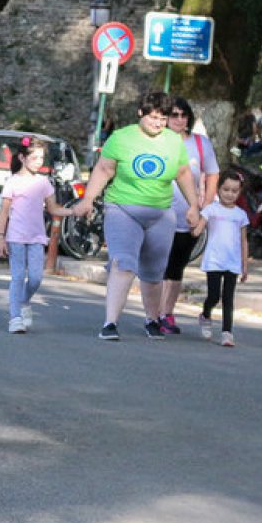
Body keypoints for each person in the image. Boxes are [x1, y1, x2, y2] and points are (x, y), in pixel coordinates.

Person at [70, 91, 201, 341]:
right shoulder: (121, 137)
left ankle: (152, 319)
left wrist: (193, 205)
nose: (158, 123)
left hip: (161, 212)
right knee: (124, 263)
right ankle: (110, 323)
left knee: (154, 271)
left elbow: (183, 173)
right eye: (153, 117)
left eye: (162, 118)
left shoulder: (173, 141)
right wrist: (88, 199)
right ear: (141, 113)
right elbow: (104, 169)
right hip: (123, 209)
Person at [0, 138, 72, 333]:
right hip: (16, 237)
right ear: (22, 158)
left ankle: (24, 301)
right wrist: (1, 238)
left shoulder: (43, 182)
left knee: (36, 278)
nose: (39, 162)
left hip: (37, 237)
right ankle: (15, 318)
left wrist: (74, 211)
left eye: (42, 158)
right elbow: (4, 212)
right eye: (35, 157)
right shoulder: (12, 182)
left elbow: (53, 208)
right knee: (18, 277)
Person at [158, 98, 220, 333]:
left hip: (187, 216)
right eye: (174, 115)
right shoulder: (157, 140)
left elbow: (213, 174)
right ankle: (154, 313)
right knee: (159, 265)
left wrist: (205, 208)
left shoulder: (200, 143)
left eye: (184, 115)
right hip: (158, 213)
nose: (179, 119)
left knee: (176, 266)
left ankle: (167, 314)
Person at [193, 170, 249, 347]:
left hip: (232, 262)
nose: (230, 194)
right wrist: (193, 226)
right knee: (214, 296)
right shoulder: (211, 210)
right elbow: (198, 230)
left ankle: (227, 332)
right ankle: (206, 315)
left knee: (228, 298)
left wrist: (244, 265)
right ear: (218, 189)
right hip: (214, 260)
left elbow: (243, 241)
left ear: (239, 192)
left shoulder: (240, 215)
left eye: (234, 191)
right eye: (226, 189)